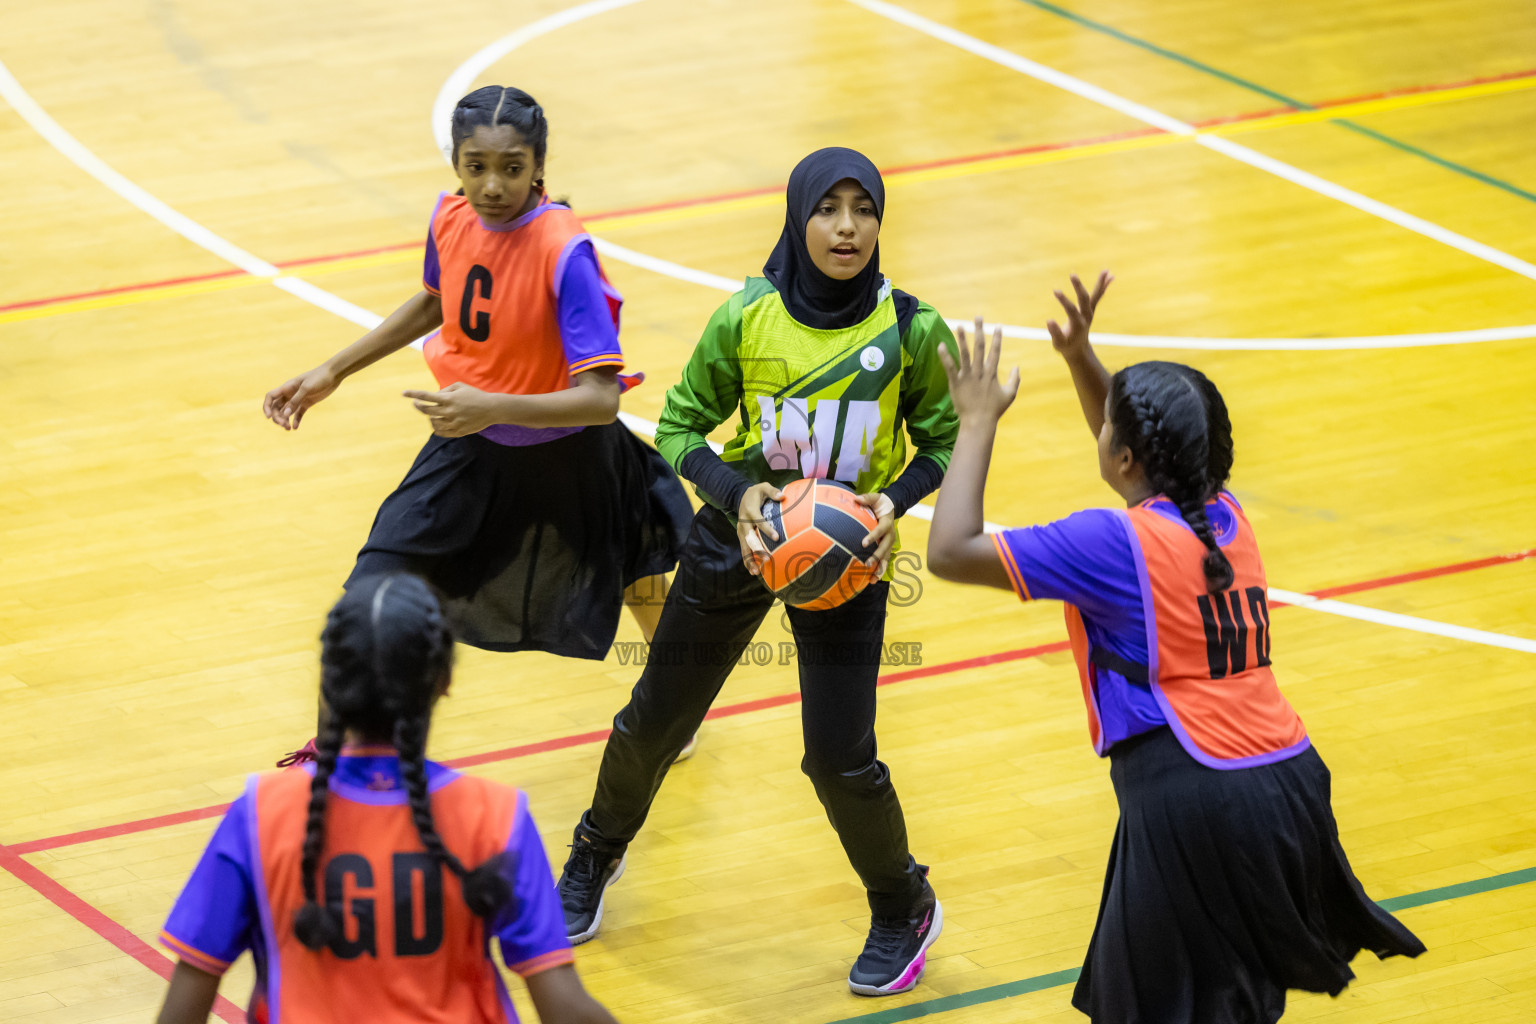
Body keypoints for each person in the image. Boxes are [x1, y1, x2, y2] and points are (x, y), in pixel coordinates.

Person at [925, 274, 1425, 1023]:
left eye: (1108, 432)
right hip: (1281, 784)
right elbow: (1135, 460)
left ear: (1125, 457)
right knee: (1208, 1005)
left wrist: (976, 420)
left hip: (1196, 796)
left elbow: (951, 549)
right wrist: (1082, 360)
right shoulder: (1224, 515)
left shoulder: (1110, 545)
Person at [556, 147, 958, 997]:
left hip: (848, 556)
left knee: (838, 760)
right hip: (738, 538)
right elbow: (675, 427)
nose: (847, 227)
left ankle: (903, 904)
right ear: (797, 216)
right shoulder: (747, 315)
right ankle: (596, 852)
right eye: (828, 209)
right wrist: (737, 495)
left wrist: (893, 501)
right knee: (654, 722)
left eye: (863, 209)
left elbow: (946, 442)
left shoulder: (914, 329)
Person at [260, 85, 690, 687]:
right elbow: (438, 301)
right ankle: (353, 740)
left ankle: (672, 701)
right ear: (456, 163)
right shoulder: (452, 216)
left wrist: (490, 405)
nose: (492, 185)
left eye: (512, 168)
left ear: (539, 166)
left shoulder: (565, 253)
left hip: (573, 458)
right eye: (476, 167)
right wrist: (334, 368)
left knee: (639, 580)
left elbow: (601, 400)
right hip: (470, 446)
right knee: (373, 585)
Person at [155, 574, 620, 1024]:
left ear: (329, 684)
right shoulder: (496, 817)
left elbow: (183, 1009)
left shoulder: (261, 813)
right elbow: (566, 1009)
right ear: (444, 681)